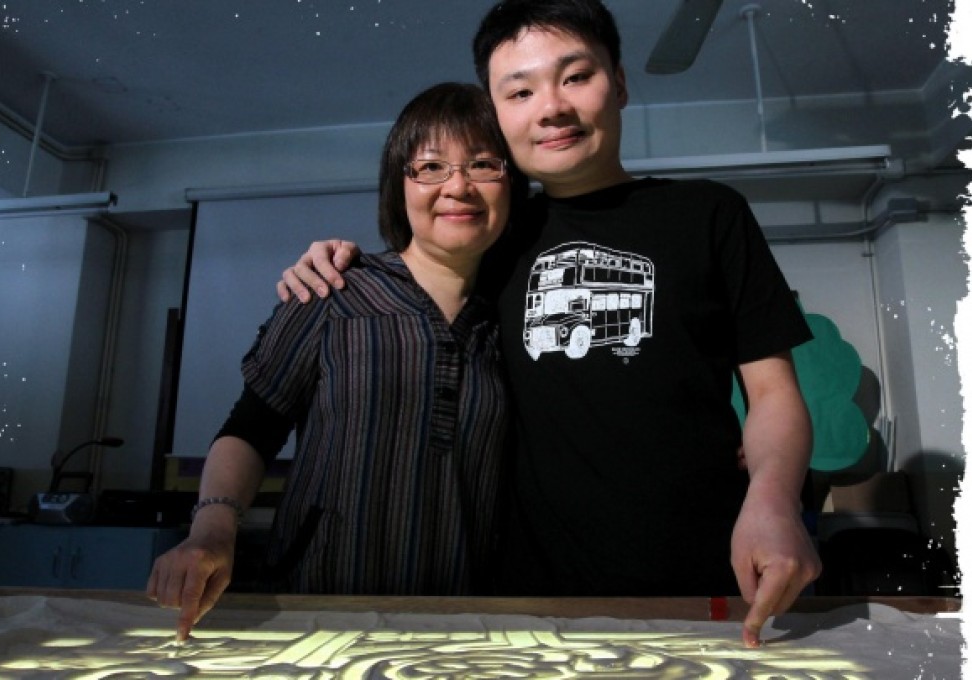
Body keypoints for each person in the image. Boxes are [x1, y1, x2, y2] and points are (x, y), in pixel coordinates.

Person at [277, 0, 821, 648]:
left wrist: (775, 499)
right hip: (529, 600)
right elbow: (414, 277)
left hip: (707, 578)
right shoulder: (492, 236)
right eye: (521, 90)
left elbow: (772, 392)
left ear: (618, 82)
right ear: (498, 111)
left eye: (575, 76)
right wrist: (335, 258)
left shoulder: (709, 215)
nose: (552, 106)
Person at [147, 82, 527, 641]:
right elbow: (251, 427)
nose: (459, 186)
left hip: (465, 627)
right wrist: (212, 529)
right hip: (319, 612)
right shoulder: (333, 290)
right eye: (430, 167)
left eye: (484, 164)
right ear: (399, 187)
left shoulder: (514, 322)